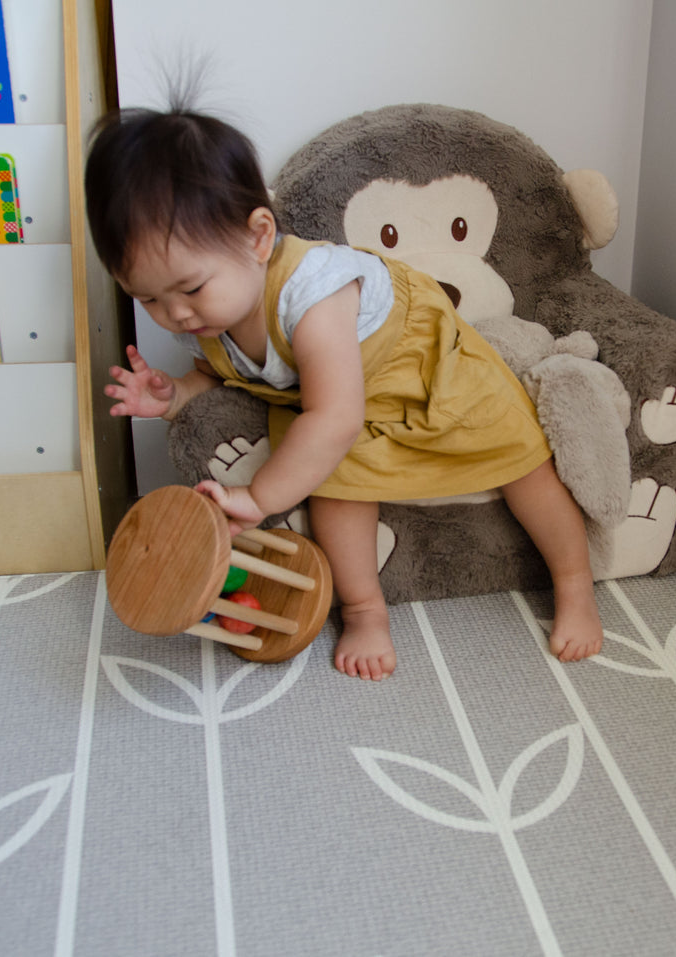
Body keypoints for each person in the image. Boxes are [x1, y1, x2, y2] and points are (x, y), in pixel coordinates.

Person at [84, 105, 604, 679]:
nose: (176, 315)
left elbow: (332, 420)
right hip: (347, 401)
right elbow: (236, 371)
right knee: (334, 487)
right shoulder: (214, 315)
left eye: (189, 289)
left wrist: (260, 499)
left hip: (423, 368)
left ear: (258, 237)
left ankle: (575, 585)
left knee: (521, 456)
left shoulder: (314, 294)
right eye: (150, 300)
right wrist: (177, 395)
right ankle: (363, 608)